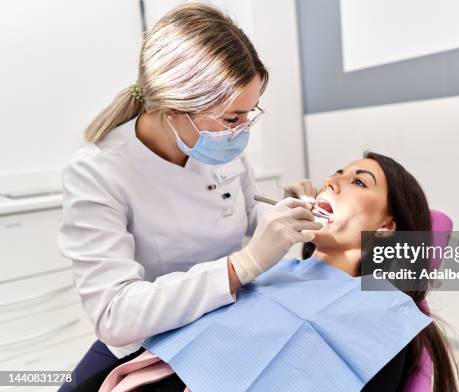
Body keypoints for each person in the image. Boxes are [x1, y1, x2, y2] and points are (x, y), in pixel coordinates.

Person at [57, 4, 321, 389]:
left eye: (248, 113)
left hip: (227, 315)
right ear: (173, 108)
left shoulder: (216, 143)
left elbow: (242, 212)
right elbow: (115, 316)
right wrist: (240, 267)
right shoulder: (97, 172)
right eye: (233, 118)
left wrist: (282, 212)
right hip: (150, 336)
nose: (243, 129)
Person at [72, 152, 459, 392]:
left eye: (358, 181)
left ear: (386, 228)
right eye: (336, 175)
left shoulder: (385, 319)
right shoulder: (271, 270)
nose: (331, 182)